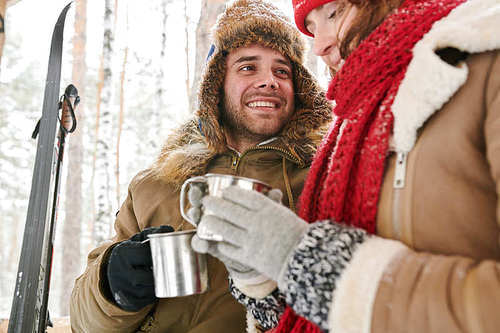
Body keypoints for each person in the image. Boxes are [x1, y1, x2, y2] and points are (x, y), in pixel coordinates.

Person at [191, 0, 500, 332]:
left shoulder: (485, 64)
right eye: (311, 28)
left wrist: (320, 268)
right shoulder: (350, 127)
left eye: (333, 13)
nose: (320, 44)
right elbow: (321, 312)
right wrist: (264, 281)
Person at [69, 0, 331, 332]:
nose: (269, 81)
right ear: (216, 85)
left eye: (282, 71)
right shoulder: (157, 184)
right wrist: (110, 285)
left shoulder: (320, 181)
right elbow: (83, 322)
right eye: (248, 67)